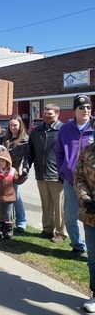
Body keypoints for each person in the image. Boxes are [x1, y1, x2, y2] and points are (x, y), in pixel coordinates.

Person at [23, 103, 67, 243]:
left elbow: (69, 154)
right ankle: (48, 230)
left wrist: (64, 172)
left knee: (59, 206)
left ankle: (60, 233)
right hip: (41, 173)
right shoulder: (37, 131)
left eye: (50, 115)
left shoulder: (63, 130)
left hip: (57, 175)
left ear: (57, 114)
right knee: (46, 204)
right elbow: (30, 151)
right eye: (45, 115)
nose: (47, 117)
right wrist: (26, 166)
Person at [55, 95, 92, 258]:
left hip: (92, 186)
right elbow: (58, 152)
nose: (86, 110)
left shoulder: (94, 126)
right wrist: (62, 171)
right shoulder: (65, 129)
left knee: (91, 221)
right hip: (70, 182)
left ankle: (92, 251)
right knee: (70, 219)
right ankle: (78, 246)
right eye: (82, 107)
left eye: (88, 107)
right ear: (74, 110)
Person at [74, 118, 95, 312]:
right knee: (93, 257)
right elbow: (78, 177)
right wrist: (85, 198)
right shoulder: (87, 152)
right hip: (91, 214)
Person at [0, 150, 27, 239]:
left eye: (3, 161)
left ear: (7, 162)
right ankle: (0, 229)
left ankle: (9, 230)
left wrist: (23, 176)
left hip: (9, 196)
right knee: (0, 213)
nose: (0, 163)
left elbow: (18, 180)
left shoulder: (12, 171)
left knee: (8, 213)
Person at [3, 115, 29, 232]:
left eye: (15, 125)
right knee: (6, 197)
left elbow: (27, 157)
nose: (13, 127)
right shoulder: (6, 139)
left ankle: (21, 223)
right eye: (11, 125)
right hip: (3, 172)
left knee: (16, 197)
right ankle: (8, 220)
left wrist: (25, 169)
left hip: (15, 172)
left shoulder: (24, 140)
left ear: (20, 126)